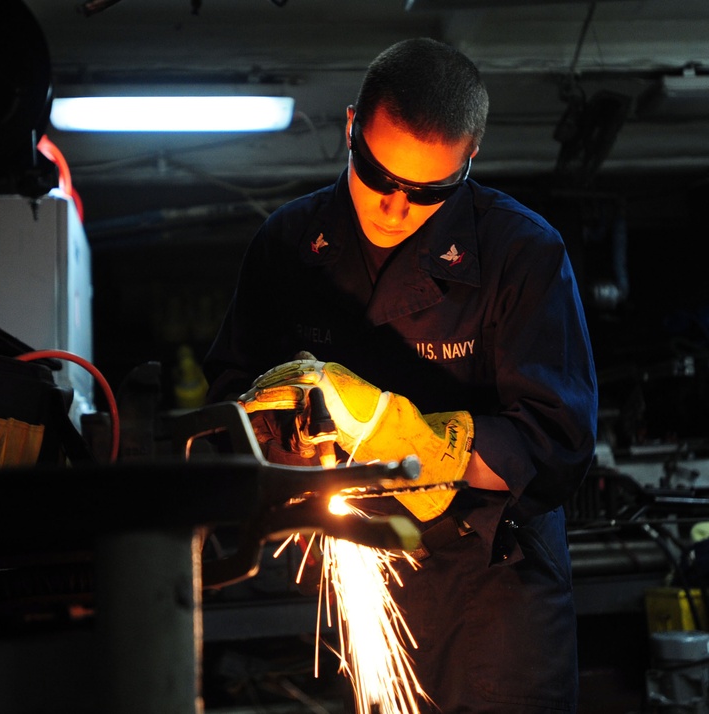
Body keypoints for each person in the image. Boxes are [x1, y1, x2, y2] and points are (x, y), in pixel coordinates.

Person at [203, 37, 598, 713]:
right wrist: (275, 434)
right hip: (347, 573)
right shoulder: (287, 246)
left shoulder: (522, 254)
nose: (392, 207)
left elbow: (557, 442)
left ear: (471, 159)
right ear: (352, 128)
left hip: (490, 586)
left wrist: (412, 442)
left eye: (426, 194)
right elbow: (224, 411)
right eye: (377, 176)